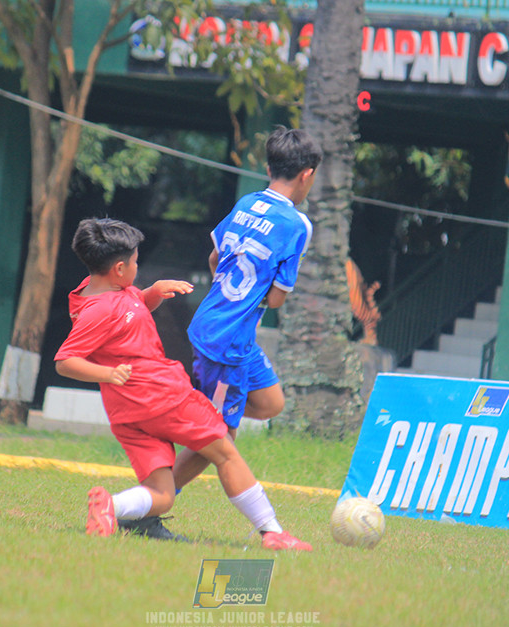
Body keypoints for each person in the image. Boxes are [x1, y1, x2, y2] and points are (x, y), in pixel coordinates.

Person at [54, 217, 311, 551]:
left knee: (162, 495)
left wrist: (152, 293)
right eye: (134, 263)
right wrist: (107, 373)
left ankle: (110, 507)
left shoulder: (98, 291)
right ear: (118, 268)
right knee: (225, 451)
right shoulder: (99, 311)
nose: (137, 267)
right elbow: (66, 361)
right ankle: (272, 531)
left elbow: (128, 311)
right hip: (160, 395)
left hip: (127, 412)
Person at [175, 126, 321, 481]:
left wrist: (232, 295)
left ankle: (205, 410)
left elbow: (214, 258)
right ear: (307, 175)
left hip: (219, 327)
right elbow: (276, 298)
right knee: (220, 439)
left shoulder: (246, 203)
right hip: (228, 342)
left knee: (271, 403)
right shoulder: (297, 224)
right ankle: (151, 500)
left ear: (269, 169)